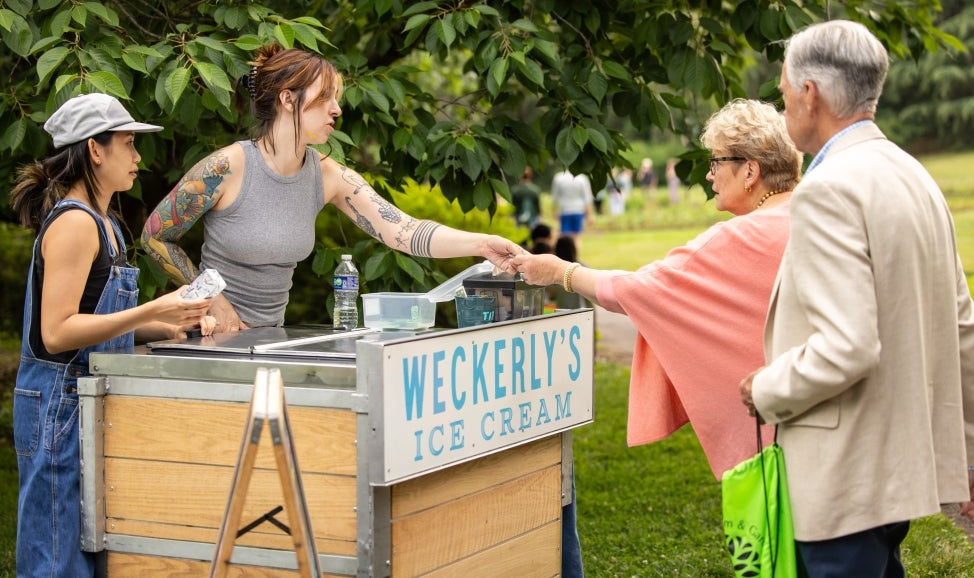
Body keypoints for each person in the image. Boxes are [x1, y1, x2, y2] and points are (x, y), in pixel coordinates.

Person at [512, 99, 802, 571]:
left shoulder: (734, 239)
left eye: (717, 162)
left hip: (782, 453)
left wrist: (561, 272)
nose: (709, 174)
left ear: (749, 171)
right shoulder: (819, 214)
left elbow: (637, 291)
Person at [739, 19, 974, 577]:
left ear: (809, 93)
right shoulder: (913, 174)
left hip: (843, 479)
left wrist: (764, 389)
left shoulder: (828, 188)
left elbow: (847, 347)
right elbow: (962, 325)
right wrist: (965, 452)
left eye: (783, 92)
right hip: (897, 473)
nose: (784, 107)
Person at [141, 44, 522, 332]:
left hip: (269, 340)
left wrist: (480, 244)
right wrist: (212, 300)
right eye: (325, 98)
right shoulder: (227, 166)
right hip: (200, 335)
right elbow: (155, 236)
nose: (337, 109)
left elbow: (401, 231)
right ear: (288, 99)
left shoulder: (329, 175)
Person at [8, 93, 215, 577]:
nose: (139, 158)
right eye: (128, 144)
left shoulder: (108, 225)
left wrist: (167, 323)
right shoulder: (76, 223)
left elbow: (96, 317)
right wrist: (151, 307)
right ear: (94, 150)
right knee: (57, 556)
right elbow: (57, 332)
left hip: (90, 398)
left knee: (95, 546)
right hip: (57, 405)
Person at [550, 169, 593, 239]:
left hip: (565, 210)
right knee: (577, 237)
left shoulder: (558, 178)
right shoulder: (582, 178)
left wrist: (554, 211)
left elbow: (555, 196)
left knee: (565, 237)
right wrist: (589, 215)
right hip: (578, 210)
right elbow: (587, 198)